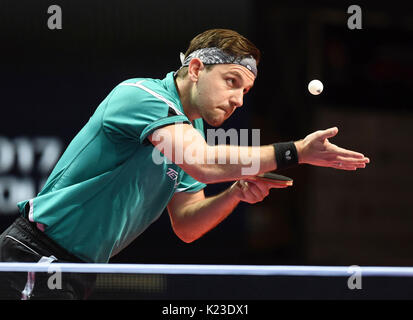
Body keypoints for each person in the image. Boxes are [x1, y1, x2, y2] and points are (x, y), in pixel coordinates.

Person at [0, 29, 370, 299]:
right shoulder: (142, 96)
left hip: (79, 272)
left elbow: (188, 224)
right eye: (231, 81)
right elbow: (203, 163)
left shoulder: (187, 130)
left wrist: (235, 195)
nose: (238, 99)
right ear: (195, 69)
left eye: (245, 91)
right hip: (34, 255)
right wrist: (296, 152)